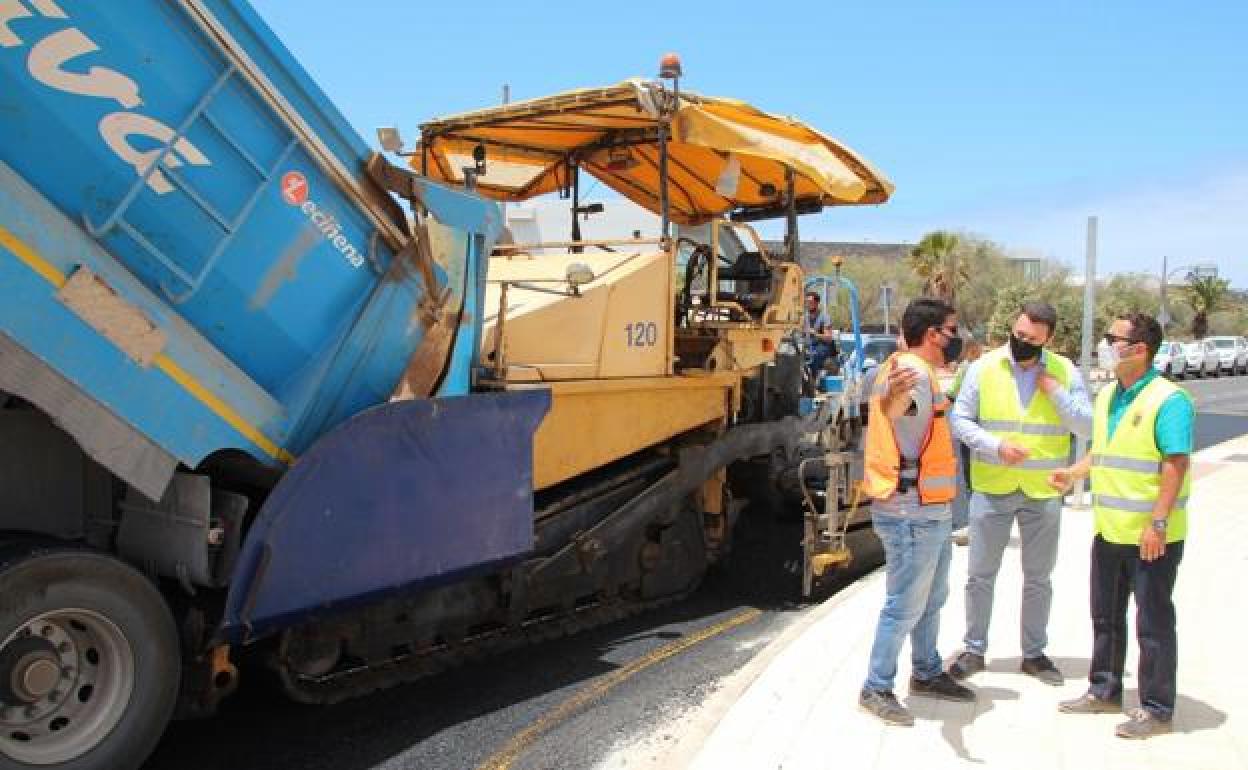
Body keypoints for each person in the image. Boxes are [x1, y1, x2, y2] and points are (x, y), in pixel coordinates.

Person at [1049, 312, 1193, 739]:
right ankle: (1104, 690)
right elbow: (1104, 450)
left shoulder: (1169, 399)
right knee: (1106, 617)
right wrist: (1074, 473)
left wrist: (1158, 523)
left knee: (1153, 625)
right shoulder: (1109, 394)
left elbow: (1176, 464)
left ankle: (1157, 710)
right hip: (1110, 530)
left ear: (1139, 349)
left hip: (1151, 536)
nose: (1104, 344)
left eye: (1112, 337)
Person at [947, 302, 1092, 686]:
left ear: (1048, 339)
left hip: (1043, 491)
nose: (1021, 342)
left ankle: (1034, 654)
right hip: (993, 487)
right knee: (980, 575)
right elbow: (960, 420)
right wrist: (995, 446)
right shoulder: (983, 367)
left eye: (1031, 339)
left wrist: (1055, 392)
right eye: (1018, 334)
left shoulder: (1065, 371)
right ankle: (974, 649)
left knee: (1039, 578)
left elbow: (1086, 426)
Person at [858, 297, 974, 726]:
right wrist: (893, 397)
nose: (956, 337)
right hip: (910, 512)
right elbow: (895, 408)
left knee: (931, 599)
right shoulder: (910, 374)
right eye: (952, 329)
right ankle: (876, 686)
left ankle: (926, 672)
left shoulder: (918, 371)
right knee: (905, 604)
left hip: (929, 510)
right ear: (932, 334)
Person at [948, 339, 984, 546]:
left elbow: (952, 394)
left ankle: (973, 528)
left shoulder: (967, 369)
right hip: (986, 432)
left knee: (971, 480)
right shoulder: (988, 369)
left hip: (968, 431)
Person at [804, 291, 839, 382]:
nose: (807, 304)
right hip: (808, 346)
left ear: (816, 303)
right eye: (806, 302)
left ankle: (813, 381)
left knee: (813, 356)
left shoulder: (824, 317)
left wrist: (815, 334)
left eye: (810, 302)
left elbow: (828, 338)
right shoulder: (804, 317)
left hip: (822, 347)